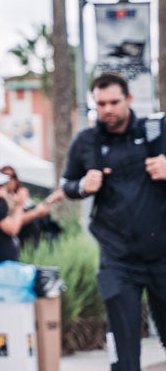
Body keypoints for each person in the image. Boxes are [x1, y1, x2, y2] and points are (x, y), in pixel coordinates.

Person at [63, 72, 166, 371]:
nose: (107, 109)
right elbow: (66, 183)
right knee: (124, 354)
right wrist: (83, 185)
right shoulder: (86, 141)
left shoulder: (156, 131)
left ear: (129, 100)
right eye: (100, 103)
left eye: (113, 102)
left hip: (162, 255)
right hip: (118, 261)